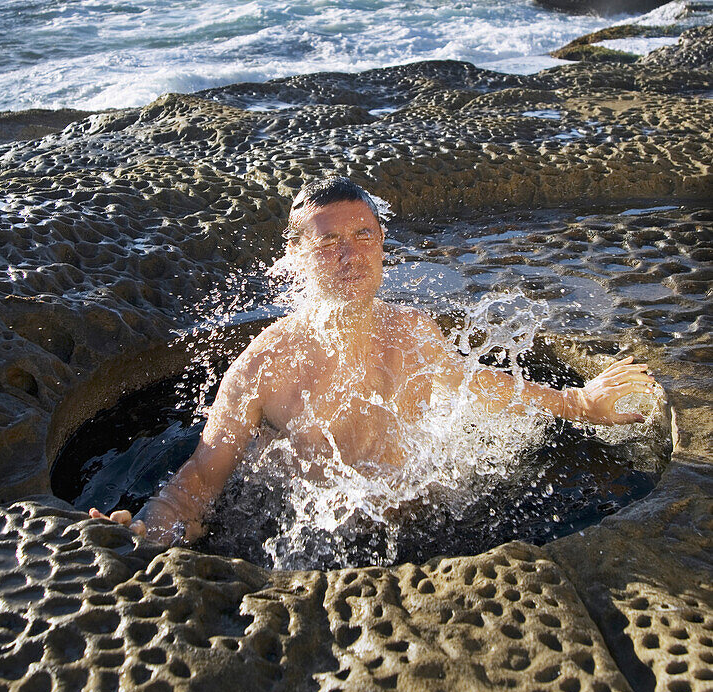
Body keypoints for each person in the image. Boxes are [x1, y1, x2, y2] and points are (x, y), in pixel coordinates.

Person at [89, 177, 659, 545]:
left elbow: (474, 385)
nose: (348, 254)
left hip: (431, 524)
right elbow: (199, 481)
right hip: (318, 541)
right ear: (295, 259)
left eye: (363, 235)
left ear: (382, 244)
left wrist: (581, 403)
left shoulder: (412, 333)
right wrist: (147, 528)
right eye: (327, 242)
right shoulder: (263, 369)